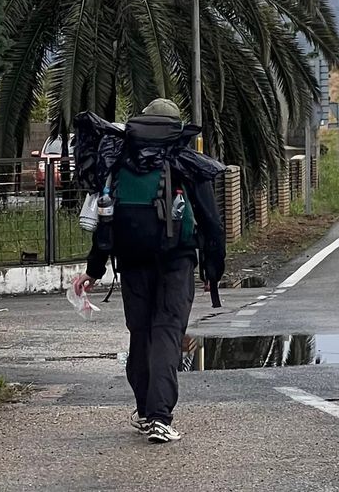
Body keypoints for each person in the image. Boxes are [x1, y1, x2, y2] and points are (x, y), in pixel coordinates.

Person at [73, 98, 225, 444]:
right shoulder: (185, 161)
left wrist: (93, 271)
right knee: (168, 332)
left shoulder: (119, 161)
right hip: (176, 261)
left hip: (132, 261)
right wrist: (213, 271)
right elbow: (212, 223)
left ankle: (145, 412)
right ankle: (159, 417)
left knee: (140, 335)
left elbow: (105, 223)